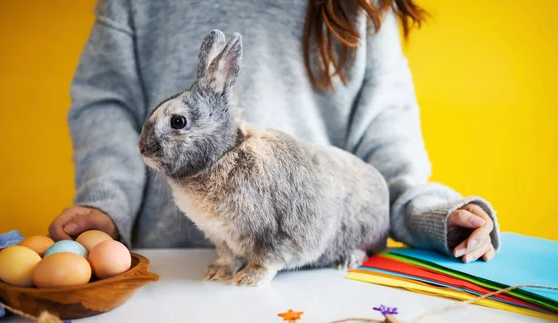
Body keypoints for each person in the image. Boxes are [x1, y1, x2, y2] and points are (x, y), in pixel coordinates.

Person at [49, 0, 500, 264]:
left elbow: (389, 155)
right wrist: (106, 204)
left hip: (312, 281)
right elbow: (106, 104)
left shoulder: (363, 9)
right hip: (171, 267)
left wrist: (433, 214)